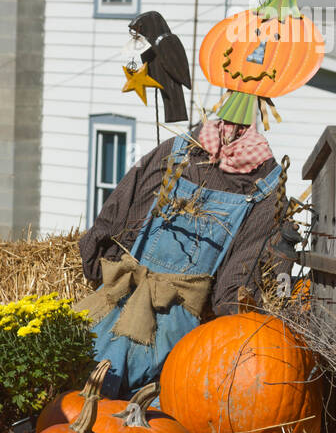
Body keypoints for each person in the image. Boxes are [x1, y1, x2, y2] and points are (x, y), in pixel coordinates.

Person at [77, 119, 288, 398]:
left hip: (120, 297)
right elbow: (235, 290)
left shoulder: (176, 150)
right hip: (175, 327)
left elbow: (115, 218)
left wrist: (98, 260)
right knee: (159, 397)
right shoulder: (268, 187)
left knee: (80, 372)